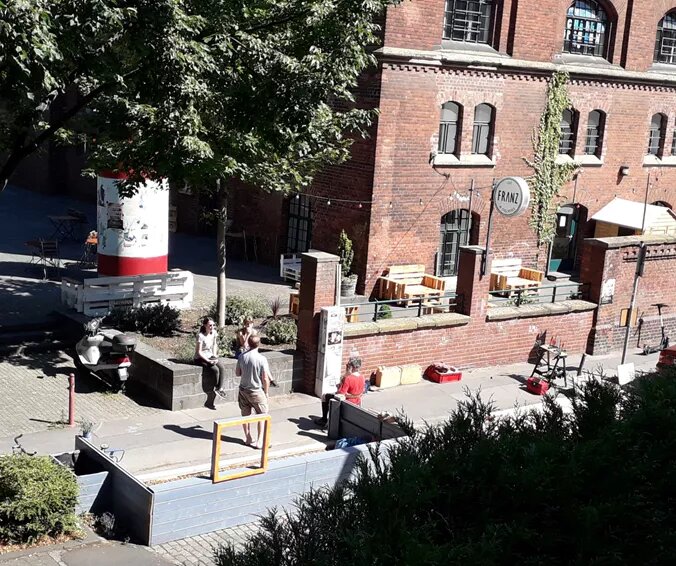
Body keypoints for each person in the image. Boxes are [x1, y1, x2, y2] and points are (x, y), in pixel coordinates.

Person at [236, 335, 272, 448]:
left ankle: (248, 437)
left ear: (249, 343)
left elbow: (237, 373)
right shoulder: (262, 359)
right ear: (259, 344)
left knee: (245, 415)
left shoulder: (242, 357)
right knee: (262, 415)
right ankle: (259, 441)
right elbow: (265, 378)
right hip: (256, 391)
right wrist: (266, 392)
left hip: (243, 390)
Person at [314, 357, 365, 429]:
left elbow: (341, 394)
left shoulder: (348, 378)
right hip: (357, 401)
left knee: (324, 396)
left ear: (351, 367)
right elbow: (361, 391)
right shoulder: (362, 377)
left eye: (348, 365)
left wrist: (339, 386)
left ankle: (324, 419)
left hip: (347, 401)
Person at [194, 317, 229, 399]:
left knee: (222, 368)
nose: (212, 327)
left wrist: (214, 355)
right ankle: (216, 387)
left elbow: (214, 345)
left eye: (213, 325)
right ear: (205, 325)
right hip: (200, 358)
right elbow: (199, 352)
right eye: (210, 325)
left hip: (210, 355)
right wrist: (208, 361)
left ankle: (220, 388)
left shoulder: (213, 333)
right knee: (215, 370)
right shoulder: (200, 336)